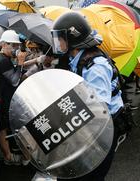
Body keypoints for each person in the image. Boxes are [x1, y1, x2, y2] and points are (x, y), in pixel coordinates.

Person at [51, 12, 124, 181]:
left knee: (90, 176)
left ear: (72, 40)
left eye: (61, 38)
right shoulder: (77, 58)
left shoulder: (94, 67)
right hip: (93, 127)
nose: (58, 42)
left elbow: (99, 110)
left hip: (105, 128)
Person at [0, 30, 28, 165]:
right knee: (9, 126)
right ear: (3, 44)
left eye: (16, 46)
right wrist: (20, 63)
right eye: (12, 45)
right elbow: (14, 80)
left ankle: (12, 153)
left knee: (8, 126)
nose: (14, 49)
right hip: (7, 99)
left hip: (9, 97)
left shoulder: (5, 58)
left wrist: (34, 60)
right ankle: (9, 157)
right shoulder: (2, 60)